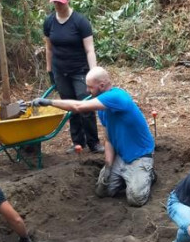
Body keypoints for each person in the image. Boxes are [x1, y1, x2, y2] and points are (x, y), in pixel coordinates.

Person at [34, 67, 155, 207]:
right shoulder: (103, 108)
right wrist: (108, 165)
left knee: (135, 199)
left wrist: (49, 102)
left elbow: (78, 106)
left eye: (90, 87)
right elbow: (109, 138)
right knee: (102, 191)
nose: (87, 91)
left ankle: (148, 175)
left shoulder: (116, 97)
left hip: (139, 156)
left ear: (102, 85)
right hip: (122, 156)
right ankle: (128, 177)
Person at [43, 0, 103, 153]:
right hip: (60, 71)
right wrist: (50, 71)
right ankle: (78, 142)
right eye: (55, 2)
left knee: (85, 105)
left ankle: (93, 142)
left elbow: (90, 49)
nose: (58, 5)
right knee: (70, 107)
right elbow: (49, 48)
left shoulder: (80, 22)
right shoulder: (49, 23)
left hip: (80, 71)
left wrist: (93, 73)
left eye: (60, 1)